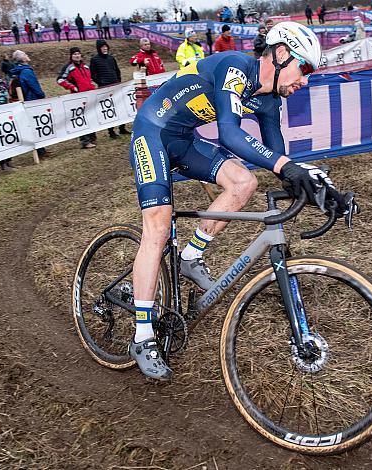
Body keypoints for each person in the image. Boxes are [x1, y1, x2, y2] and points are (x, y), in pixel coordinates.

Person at [126, 22, 346, 380]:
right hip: (152, 130)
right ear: (279, 54)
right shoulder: (235, 67)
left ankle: (191, 255)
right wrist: (288, 168)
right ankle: (143, 335)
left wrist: (318, 190)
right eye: (304, 68)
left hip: (183, 138)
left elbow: (276, 158)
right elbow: (230, 132)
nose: (305, 80)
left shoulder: (270, 99)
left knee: (244, 182)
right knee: (158, 227)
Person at [58, 47, 97, 149]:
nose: (77, 55)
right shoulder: (69, 67)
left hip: (89, 95)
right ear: (71, 56)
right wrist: (73, 87)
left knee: (91, 116)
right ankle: (85, 141)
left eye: (78, 54)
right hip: (78, 97)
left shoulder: (86, 66)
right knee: (82, 118)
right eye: (75, 54)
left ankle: (92, 138)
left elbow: (89, 79)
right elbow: (60, 80)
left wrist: (92, 85)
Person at [89, 39, 129, 137]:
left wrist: (118, 80)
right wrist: (100, 82)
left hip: (116, 85)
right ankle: (111, 131)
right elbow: (92, 74)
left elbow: (117, 70)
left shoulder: (111, 58)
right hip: (104, 88)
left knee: (120, 107)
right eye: (102, 47)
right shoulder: (94, 60)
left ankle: (122, 128)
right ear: (99, 48)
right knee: (109, 109)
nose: (105, 48)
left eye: (106, 46)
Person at [10, 51, 46, 157]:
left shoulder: (18, 71)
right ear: (23, 59)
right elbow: (33, 85)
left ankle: (41, 150)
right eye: (26, 55)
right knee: (36, 125)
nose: (28, 56)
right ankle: (40, 150)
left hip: (26, 99)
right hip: (32, 99)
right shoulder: (26, 71)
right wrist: (41, 94)